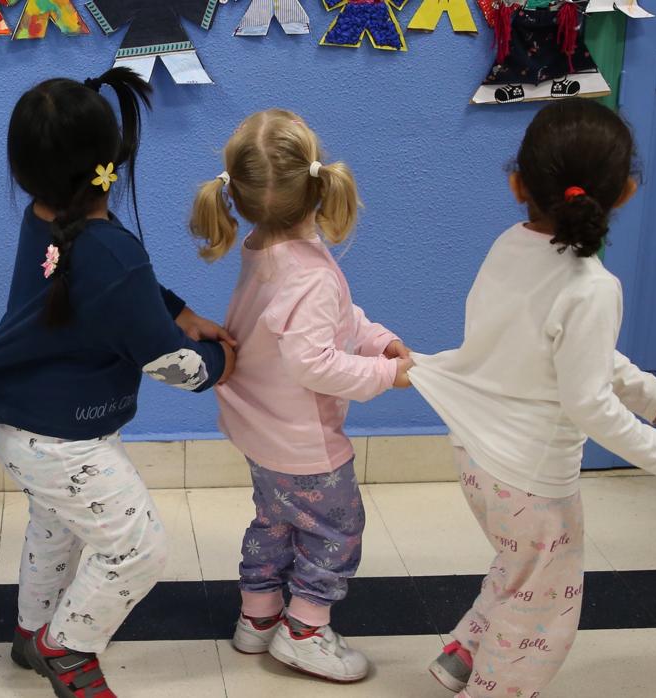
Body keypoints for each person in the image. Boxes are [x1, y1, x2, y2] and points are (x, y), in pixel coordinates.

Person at [0, 68, 236, 698]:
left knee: (57, 528)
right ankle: (66, 648)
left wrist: (177, 312)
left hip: (18, 419)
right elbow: (171, 367)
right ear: (111, 165)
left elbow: (121, 292)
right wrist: (226, 362)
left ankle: (30, 633)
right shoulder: (110, 253)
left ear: (23, 175)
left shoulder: (45, 223)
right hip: (64, 440)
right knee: (139, 548)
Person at [410, 100, 656, 698]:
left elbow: (571, 358)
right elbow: (588, 402)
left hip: (477, 456)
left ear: (517, 182)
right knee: (542, 609)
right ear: (625, 193)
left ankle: (463, 657)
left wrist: (654, 396)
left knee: (521, 570)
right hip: (533, 482)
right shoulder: (593, 287)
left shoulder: (509, 245)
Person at [188, 109, 412, 683]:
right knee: (336, 530)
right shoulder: (308, 270)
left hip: (258, 428)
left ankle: (258, 618)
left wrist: (377, 339)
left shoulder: (264, 249)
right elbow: (315, 361)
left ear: (236, 197)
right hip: (303, 439)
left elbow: (330, 322)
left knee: (276, 521)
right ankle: (305, 633)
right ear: (315, 187)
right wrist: (387, 375)